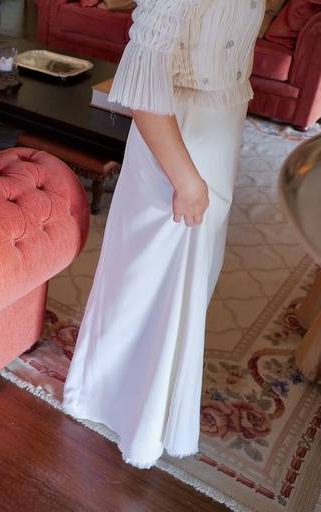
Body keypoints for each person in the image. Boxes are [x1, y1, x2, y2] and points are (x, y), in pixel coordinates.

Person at [62, 0, 264, 468]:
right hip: (177, 144)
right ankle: (116, 404)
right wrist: (187, 180)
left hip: (220, 129)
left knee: (191, 279)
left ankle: (152, 399)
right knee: (150, 280)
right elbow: (144, 87)